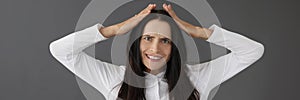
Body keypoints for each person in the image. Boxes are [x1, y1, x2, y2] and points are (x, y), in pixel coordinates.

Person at [49, 3, 264, 100]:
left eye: (165, 41)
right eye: (148, 38)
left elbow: (253, 51)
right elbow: (60, 50)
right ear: (136, 43)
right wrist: (112, 30)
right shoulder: (114, 80)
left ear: (175, 47)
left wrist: (202, 32)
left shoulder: (198, 78)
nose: (155, 49)